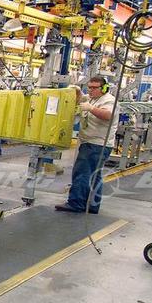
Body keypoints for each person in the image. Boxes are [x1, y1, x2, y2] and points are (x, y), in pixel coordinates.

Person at [56, 75, 117, 213]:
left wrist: (91, 109)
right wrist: (78, 92)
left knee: (82, 173)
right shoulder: (92, 98)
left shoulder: (109, 100)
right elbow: (83, 99)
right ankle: (92, 206)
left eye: (94, 88)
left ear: (104, 88)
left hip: (97, 144)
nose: (90, 90)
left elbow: (108, 115)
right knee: (94, 175)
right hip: (91, 143)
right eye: (89, 87)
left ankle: (76, 203)